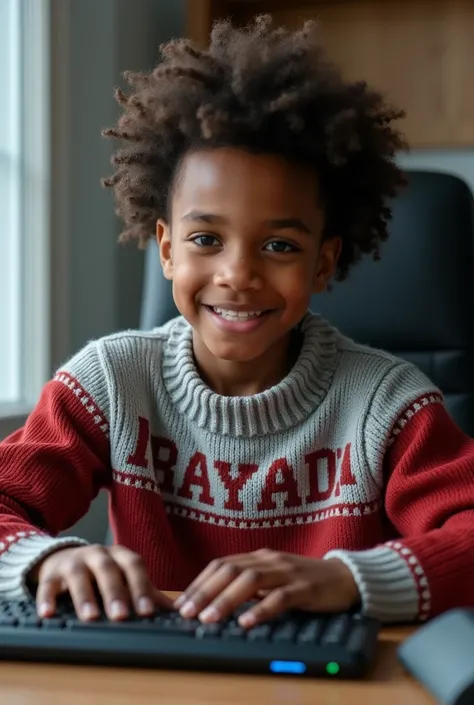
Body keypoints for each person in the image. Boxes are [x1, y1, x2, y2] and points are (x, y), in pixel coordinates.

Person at [1, 15, 474, 631]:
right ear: (166, 249)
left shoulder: (388, 405)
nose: (238, 274)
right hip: (157, 681)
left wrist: (348, 578)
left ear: (323, 262)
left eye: (278, 246)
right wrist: (46, 559)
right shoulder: (110, 382)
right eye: (205, 239)